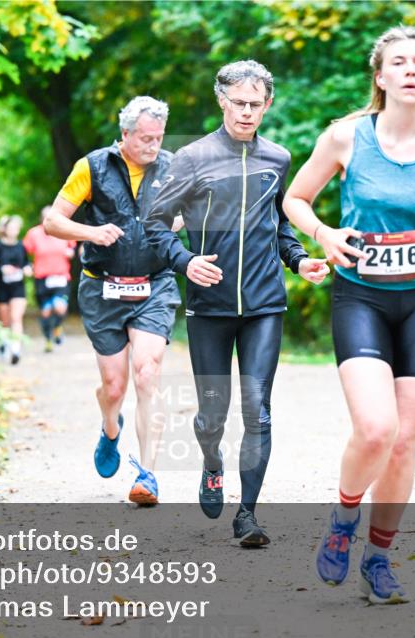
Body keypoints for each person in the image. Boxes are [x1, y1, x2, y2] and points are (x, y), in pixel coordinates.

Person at [283, 26, 415, 603]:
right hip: (362, 297)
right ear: (380, 77)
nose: (408, 70)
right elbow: (294, 199)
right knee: (376, 430)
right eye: (397, 62)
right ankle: (343, 520)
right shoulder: (345, 138)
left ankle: (378, 558)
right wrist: (324, 233)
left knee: (404, 442)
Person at [142, 61, 329, 546]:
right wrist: (185, 262)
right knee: (212, 414)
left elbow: (281, 225)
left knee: (258, 410)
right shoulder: (192, 157)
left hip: (265, 303)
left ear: (268, 105)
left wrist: (299, 260)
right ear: (221, 101)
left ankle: (247, 515)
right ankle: (211, 462)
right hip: (210, 305)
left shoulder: (278, 158)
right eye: (239, 103)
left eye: (256, 104)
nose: (248, 112)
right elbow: (155, 222)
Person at [43, 96, 182, 506]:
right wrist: (91, 233)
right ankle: (110, 428)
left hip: (154, 284)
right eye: (144, 139)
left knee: (147, 372)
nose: (152, 147)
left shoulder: (172, 166)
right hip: (103, 286)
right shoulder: (92, 166)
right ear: (124, 135)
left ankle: (148, 475)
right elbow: (53, 221)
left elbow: (190, 213)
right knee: (114, 385)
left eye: (158, 138)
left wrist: (177, 221)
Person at [23, 207, 76, 353]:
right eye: (46, 217)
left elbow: (72, 248)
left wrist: (70, 252)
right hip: (42, 278)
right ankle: (48, 340)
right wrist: (27, 265)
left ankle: (58, 327)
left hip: (61, 277)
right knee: (45, 312)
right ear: (42, 219)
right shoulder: (34, 234)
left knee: (59, 307)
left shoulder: (64, 231)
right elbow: (23, 252)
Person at [0, 215, 31, 365]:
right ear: (5, 229)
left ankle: (16, 349)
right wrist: (1, 268)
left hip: (18, 286)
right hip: (2, 287)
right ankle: (4, 344)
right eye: (11, 227)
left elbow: (26, 263)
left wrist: (27, 269)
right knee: (4, 321)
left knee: (16, 317)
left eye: (16, 228)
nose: (13, 230)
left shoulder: (21, 246)